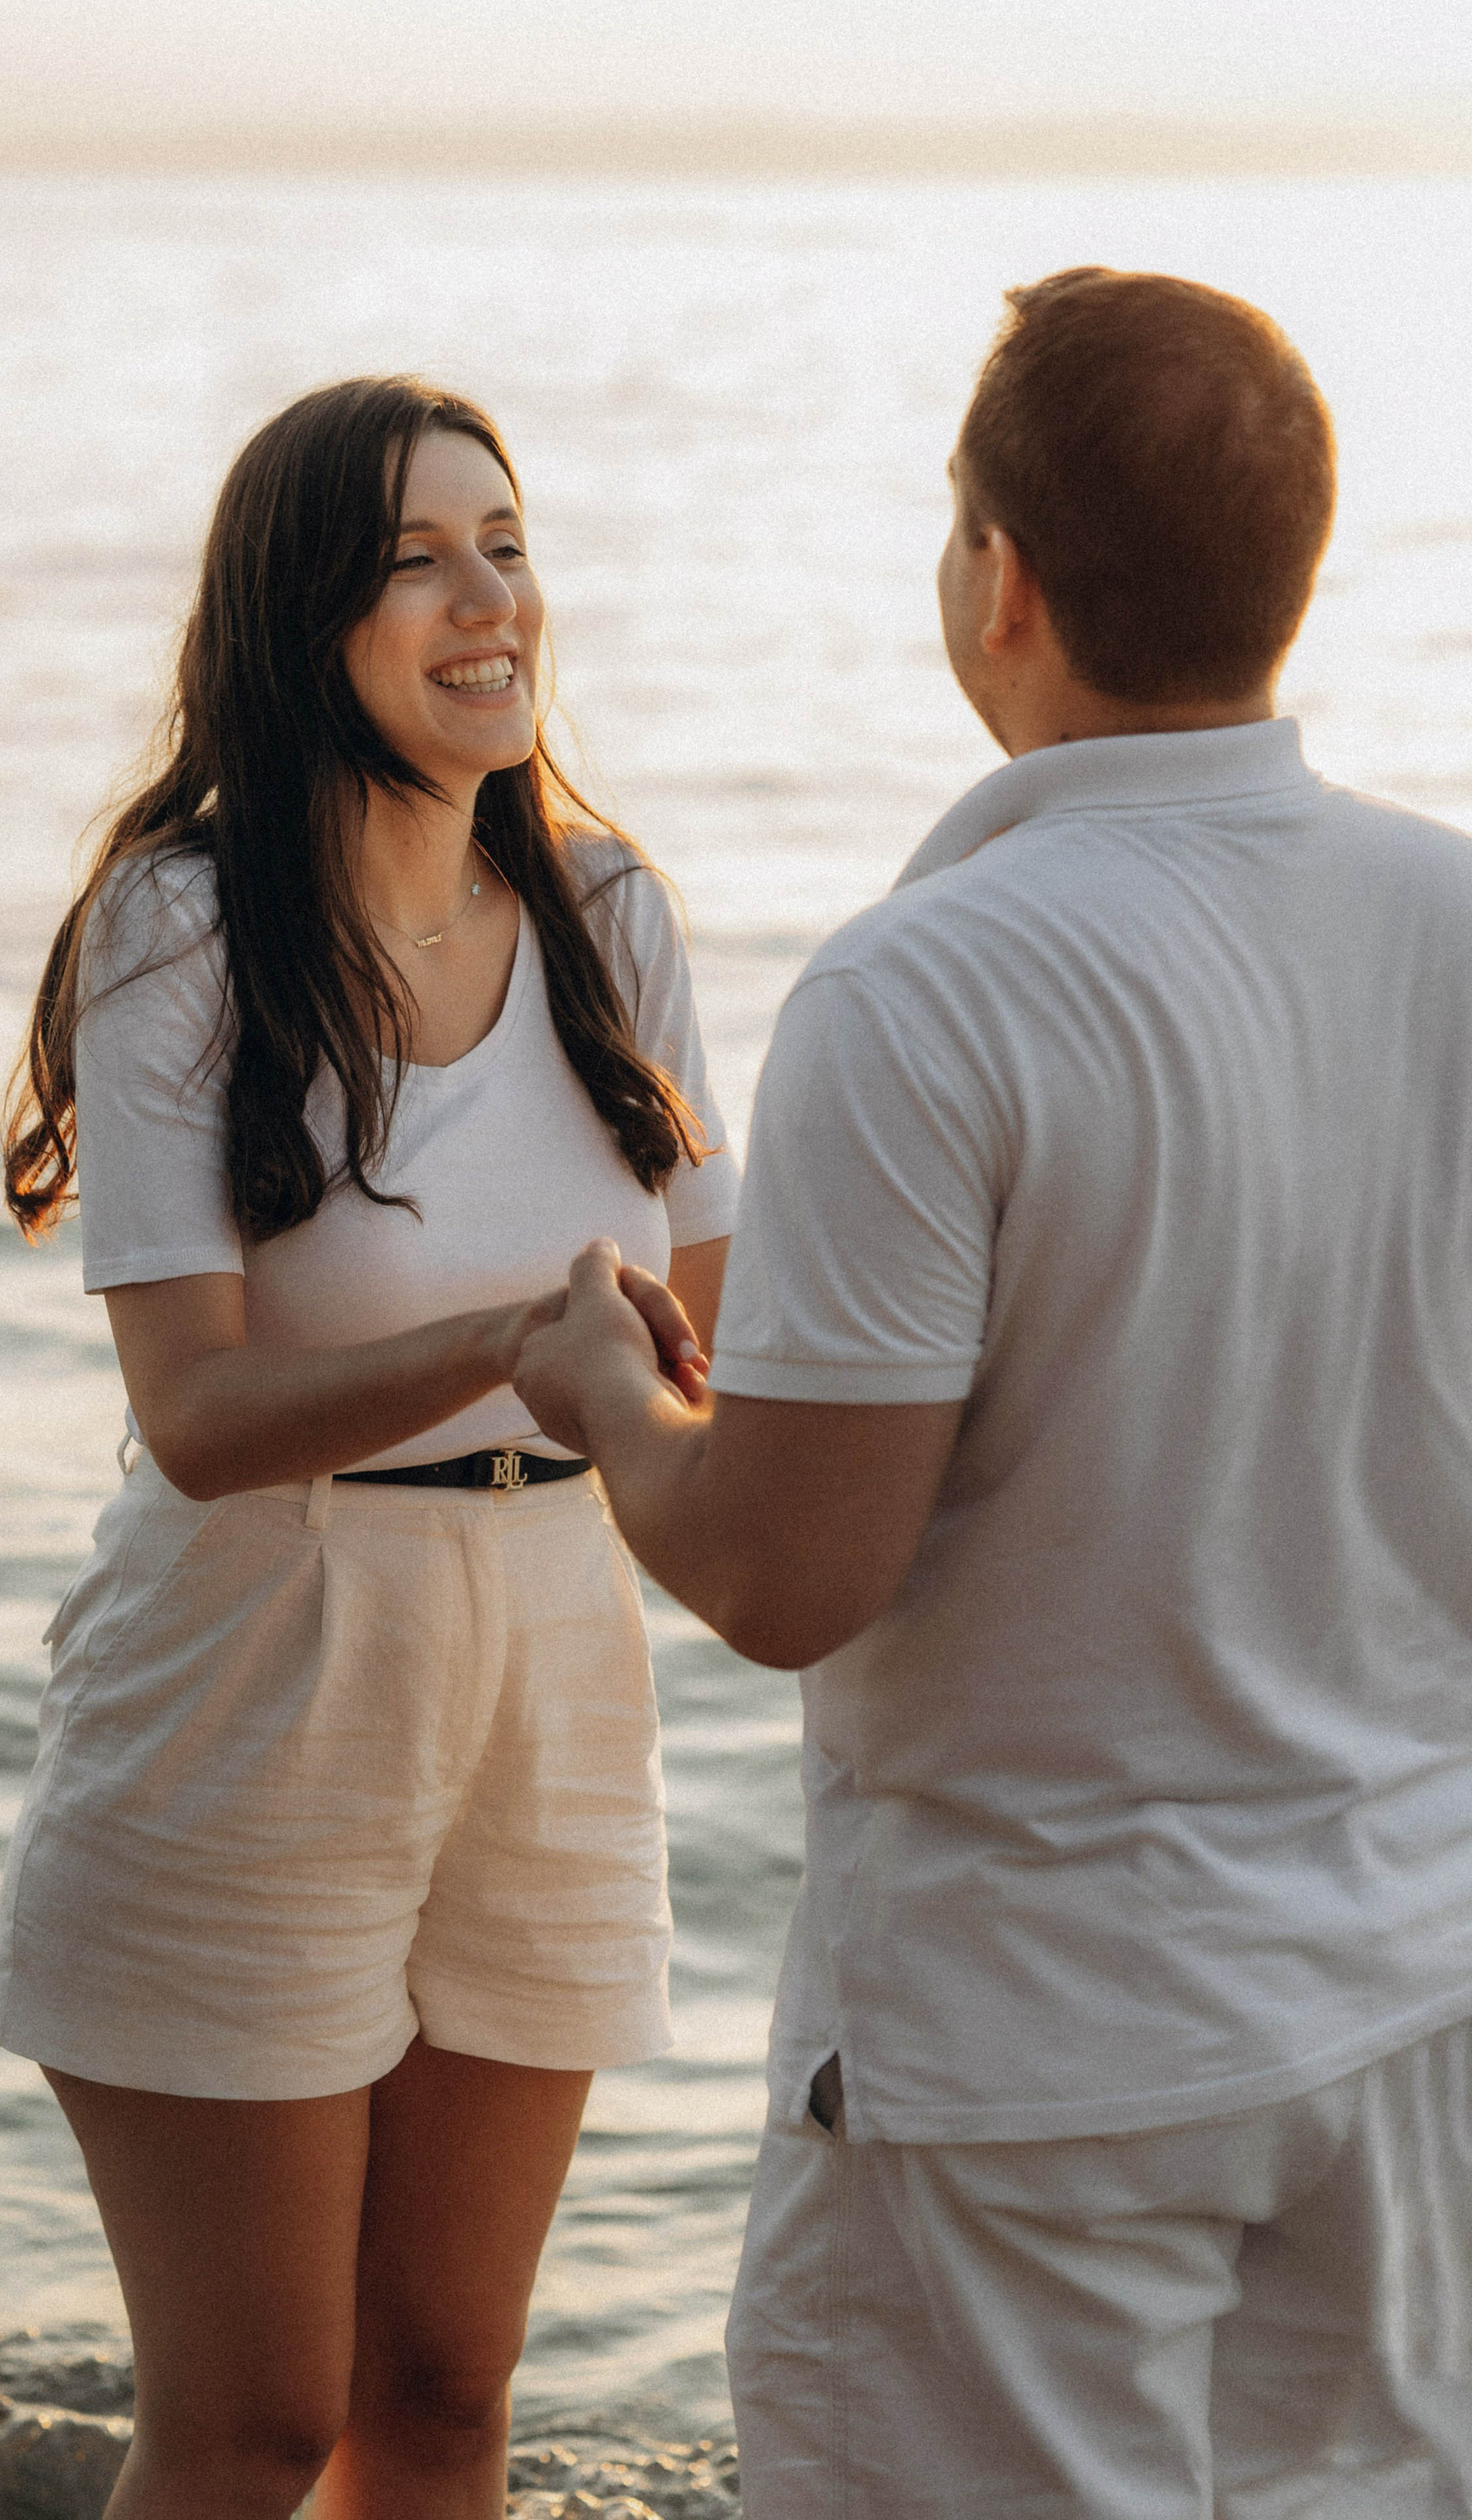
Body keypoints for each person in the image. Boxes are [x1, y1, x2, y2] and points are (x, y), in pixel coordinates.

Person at [515, 268, 1472, 2515]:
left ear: (1001, 577)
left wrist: (608, 1400)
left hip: (1031, 2058)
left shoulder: (926, 987)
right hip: (1403, 2000)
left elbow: (787, 1571)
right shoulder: (1452, 922)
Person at [0, 374, 737, 2520]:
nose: (487, 597)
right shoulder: (180, 923)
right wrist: (510, 1339)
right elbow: (196, 1413)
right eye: (417, 556)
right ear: (297, 614)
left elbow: (746, 1334)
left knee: (445, 2398)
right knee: (249, 2422)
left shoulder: (617, 915)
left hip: (557, 1669)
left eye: (507, 541)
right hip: (262, 1658)